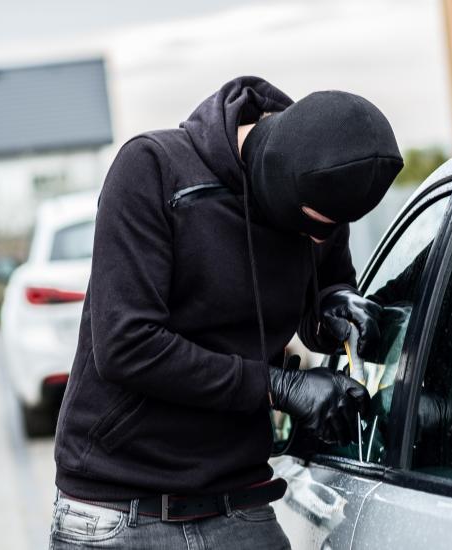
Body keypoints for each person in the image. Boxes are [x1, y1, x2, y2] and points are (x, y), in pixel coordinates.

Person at [49, 76, 404, 549]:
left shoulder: (322, 188)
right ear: (273, 182)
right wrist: (280, 386)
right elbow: (126, 345)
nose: (324, 240)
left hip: (239, 504)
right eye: (316, 228)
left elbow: (319, 289)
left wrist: (333, 305)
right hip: (120, 512)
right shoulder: (153, 169)